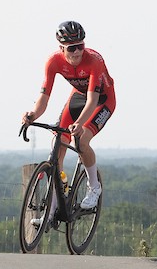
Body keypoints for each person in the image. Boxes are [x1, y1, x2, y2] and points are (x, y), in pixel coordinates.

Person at [22, 20, 115, 214]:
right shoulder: (53, 62)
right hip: (78, 97)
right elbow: (43, 98)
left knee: (81, 141)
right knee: (57, 149)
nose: (77, 52)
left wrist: (80, 124)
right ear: (61, 48)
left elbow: (92, 100)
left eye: (80, 46)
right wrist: (32, 114)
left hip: (102, 100)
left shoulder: (94, 61)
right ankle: (55, 206)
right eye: (72, 48)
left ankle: (94, 188)